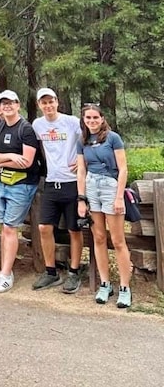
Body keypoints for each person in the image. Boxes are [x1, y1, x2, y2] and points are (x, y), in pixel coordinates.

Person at [0, 90, 42, 294]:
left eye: (11, 103)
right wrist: (9, 156)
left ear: (18, 105)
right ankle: (4, 272)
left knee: (10, 228)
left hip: (22, 185)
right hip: (2, 183)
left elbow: (26, 162)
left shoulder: (25, 129)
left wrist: (1, 161)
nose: (7, 106)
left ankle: (7, 273)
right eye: (3, 103)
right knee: (4, 227)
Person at [77, 104, 132, 309]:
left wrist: (119, 197)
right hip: (91, 187)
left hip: (110, 186)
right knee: (98, 237)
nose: (91, 121)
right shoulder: (82, 140)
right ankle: (105, 283)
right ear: (84, 120)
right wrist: (81, 199)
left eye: (95, 117)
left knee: (118, 240)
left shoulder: (113, 138)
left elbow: (123, 168)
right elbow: (81, 171)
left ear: (102, 119)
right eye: (87, 118)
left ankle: (125, 287)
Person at [32, 86, 83, 294]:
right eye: (43, 102)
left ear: (57, 101)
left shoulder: (71, 122)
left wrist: (83, 161)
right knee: (44, 227)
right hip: (52, 182)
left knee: (74, 229)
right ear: (39, 105)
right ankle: (51, 271)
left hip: (72, 182)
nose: (48, 105)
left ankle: (74, 271)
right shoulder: (38, 124)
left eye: (51, 101)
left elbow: (86, 140)